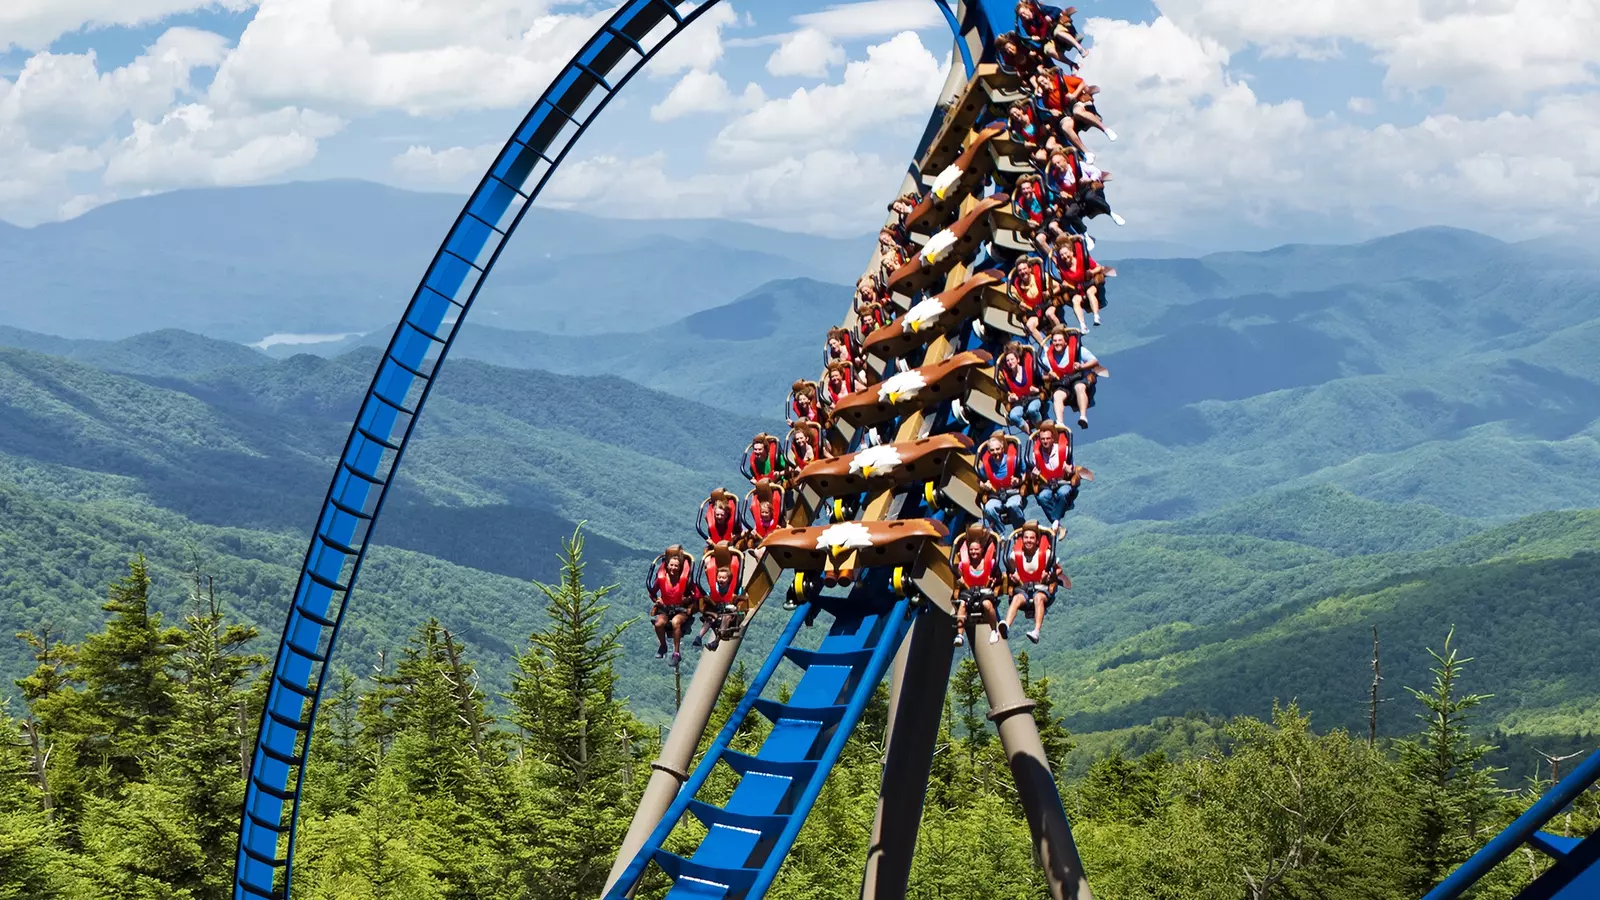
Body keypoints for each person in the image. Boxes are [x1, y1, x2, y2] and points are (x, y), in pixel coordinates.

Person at [1002, 522, 1066, 644]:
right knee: (1016, 599)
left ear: (1037, 541)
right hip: (1023, 587)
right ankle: (1006, 625)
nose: (1028, 541)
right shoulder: (1014, 557)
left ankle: (1036, 631)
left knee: (1038, 598)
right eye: (1026, 538)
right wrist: (1013, 577)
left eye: (1032, 538)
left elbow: (1059, 569)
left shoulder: (1046, 555)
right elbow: (1010, 572)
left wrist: (1050, 575)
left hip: (1041, 587)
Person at [1028, 420, 1091, 532]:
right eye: (1042, 439)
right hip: (1047, 483)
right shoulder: (1036, 455)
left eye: (1048, 439)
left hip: (1063, 481)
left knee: (1063, 493)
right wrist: (1033, 476)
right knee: (1042, 497)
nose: (1045, 441)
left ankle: (1055, 521)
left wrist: (1069, 470)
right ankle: (1058, 524)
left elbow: (1072, 469)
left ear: (1053, 439)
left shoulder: (1064, 450)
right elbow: (1033, 475)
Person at [1038, 324, 1104, 429]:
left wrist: (1082, 366)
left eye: (1059, 340)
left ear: (1065, 341)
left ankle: (1083, 416)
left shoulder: (1077, 350)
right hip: (1062, 384)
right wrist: (1050, 376)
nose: (1057, 343)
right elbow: (1042, 377)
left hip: (1078, 379)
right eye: (1055, 341)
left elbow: (1094, 361)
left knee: (1079, 387)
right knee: (1057, 396)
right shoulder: (1047, 357)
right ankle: (1060, 422)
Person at [951, 525, 1005, 646]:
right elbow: (958, 574)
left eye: (976, 550)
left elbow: (999, 577)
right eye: (971, 550)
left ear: (981, 550)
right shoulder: (963, 565)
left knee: (987, 604)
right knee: (963, 605)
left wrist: (993, 581)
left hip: (985, 590)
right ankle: (959, 634)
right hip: (969, 590)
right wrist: (959, 580)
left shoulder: (990, 563)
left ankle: (993, 631)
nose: (973, 552)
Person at [648, 545, 700, 665]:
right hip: (665, 608)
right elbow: (652, 592)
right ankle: (663, 646)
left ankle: (676, 653)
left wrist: (688, 599)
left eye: (676, 565)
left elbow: (698, 594)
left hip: (681, 609)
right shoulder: (661, 578)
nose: (673, 568)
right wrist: (657, 600)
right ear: (667, 565)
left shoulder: (686, 580)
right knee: (658, 624)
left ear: (680, 566)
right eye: (671, 565)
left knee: (676, 622)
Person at [696, 546, 744, 651]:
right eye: (719, 578)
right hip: (716, 609)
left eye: (724, 578)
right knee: (710, 619)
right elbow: (709, 595)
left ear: (729, 579)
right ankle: (699, 637)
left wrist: (738, 601)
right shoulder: (715, 588)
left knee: (725, 618)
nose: (721, 580)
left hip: (729, 612)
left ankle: (717, 640)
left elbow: (741, 597)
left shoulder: (735, 588)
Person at [978, 431, 1028, 531]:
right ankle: (1000, 535)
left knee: (1013, 505)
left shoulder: (1014, 460)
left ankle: (1020, 531)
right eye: (992, 450)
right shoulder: (986, 465)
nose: (995, 452)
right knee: (989, 508)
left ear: (1002, 449)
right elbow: (979, 480)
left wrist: (1019, 481)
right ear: (988, 451)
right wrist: (984, 486)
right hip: (995, 494)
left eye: (997, 449)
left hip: (1012, 492)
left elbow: (1026, 473)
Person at [997, 340, 1043, 430]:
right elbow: (1007, 394)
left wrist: (1036, 390)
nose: (1010, 362)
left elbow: (1042, 385)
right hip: (1019, 402)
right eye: (1007, 361)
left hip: (1033, 397)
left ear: (1017, 360)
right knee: (1013, 416)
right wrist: (1010, 398)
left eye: (1012, 359)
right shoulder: (1007, 377)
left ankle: (1040, 429)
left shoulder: (1029, 369)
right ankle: (1029, 432)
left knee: (1032, 410)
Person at [1009, 255, 1052, 346]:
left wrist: (1048, 293)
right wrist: (1020, 304)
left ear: (1030, 269)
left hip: (1046, 305)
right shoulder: (1018, 287)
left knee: (1050, 314)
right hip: (1034, 312)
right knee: (1029, 325)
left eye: (1024, 269)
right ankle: (1044, 347)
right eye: (1020, 270)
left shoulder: (1041, 277)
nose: (1023, 272)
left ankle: (1060, 331)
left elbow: (1057, 288)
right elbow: (1013, 297)